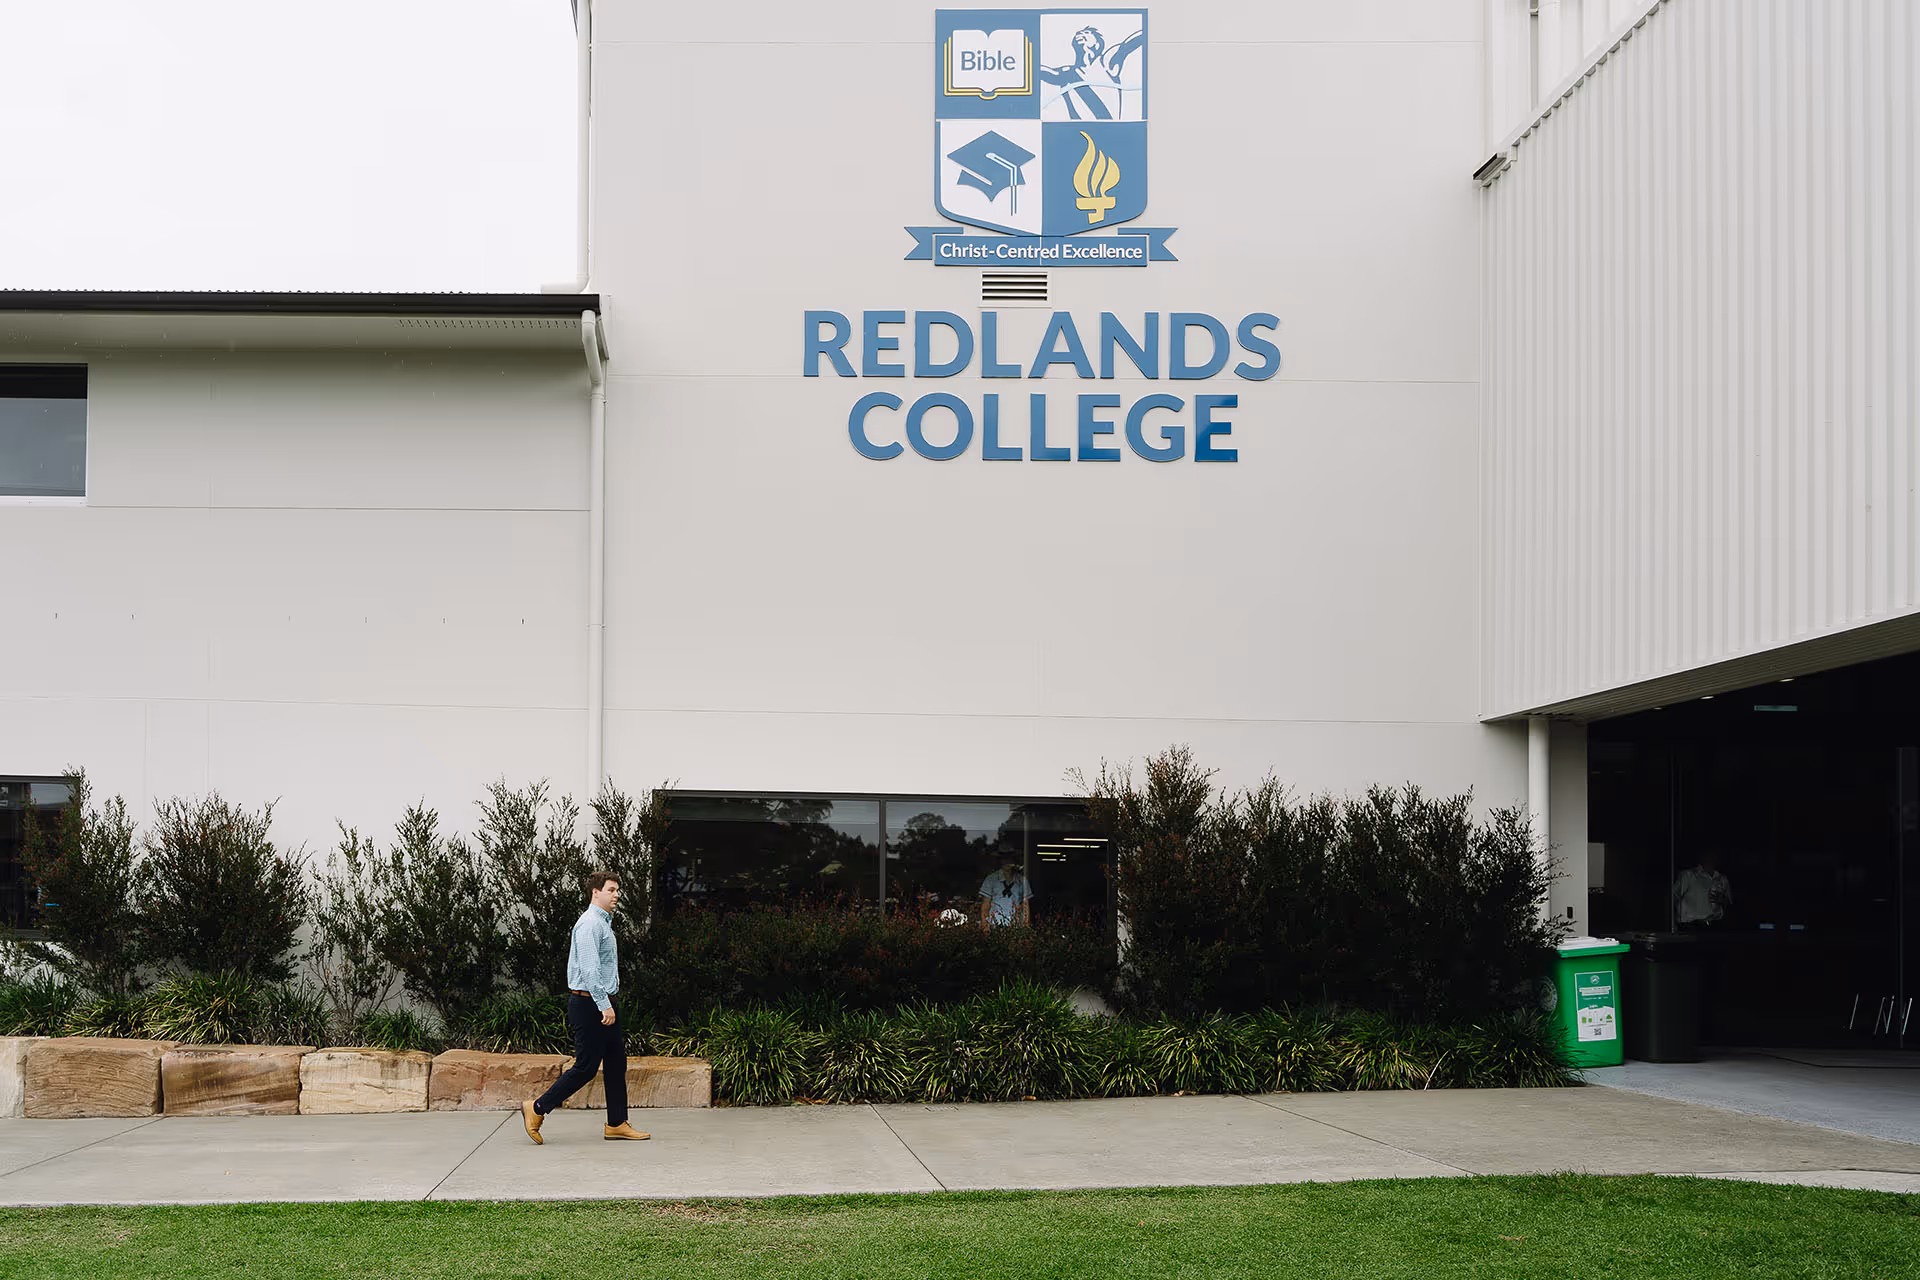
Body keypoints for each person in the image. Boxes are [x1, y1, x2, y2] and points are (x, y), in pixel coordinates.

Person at [523, 870, 649, 1143]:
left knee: (616, 1064)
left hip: (602, 1003)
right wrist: (604, 1005)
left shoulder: (603, 923)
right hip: (589, 1003)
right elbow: (590, 971)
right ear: (596, 892)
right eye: (612, 890)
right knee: (586, 1067)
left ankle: (616, 1123)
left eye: (617, 890)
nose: (617, 895)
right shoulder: (590, 924)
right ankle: (537, 1108)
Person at [1673, 852, 1732, 928]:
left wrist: (1723, 900)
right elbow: (1672, 898)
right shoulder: (1688, 875)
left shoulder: (1722, 878)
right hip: (1691, 927)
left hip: (1717, 926)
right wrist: (1672, 924)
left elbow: (1729, 904)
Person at [978, 850, 1032, 929]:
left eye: (1010, 858)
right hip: (994, 925)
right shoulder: (991, 879)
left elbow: (1025, 905)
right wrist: (984, 925)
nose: (1007, 861)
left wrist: (1026, 926)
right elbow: (986, 904)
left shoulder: (1022, 881)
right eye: (1004, 858)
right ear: (1000, 860)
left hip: (1016, 926)